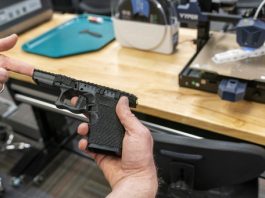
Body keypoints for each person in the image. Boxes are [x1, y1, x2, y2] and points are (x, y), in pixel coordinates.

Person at [0, 35, 158, 197]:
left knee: (97, 126)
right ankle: (107, 146)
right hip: (132, 172)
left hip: (107, 104)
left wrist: (137, 177)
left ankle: (107, 145)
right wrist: (139, 178)